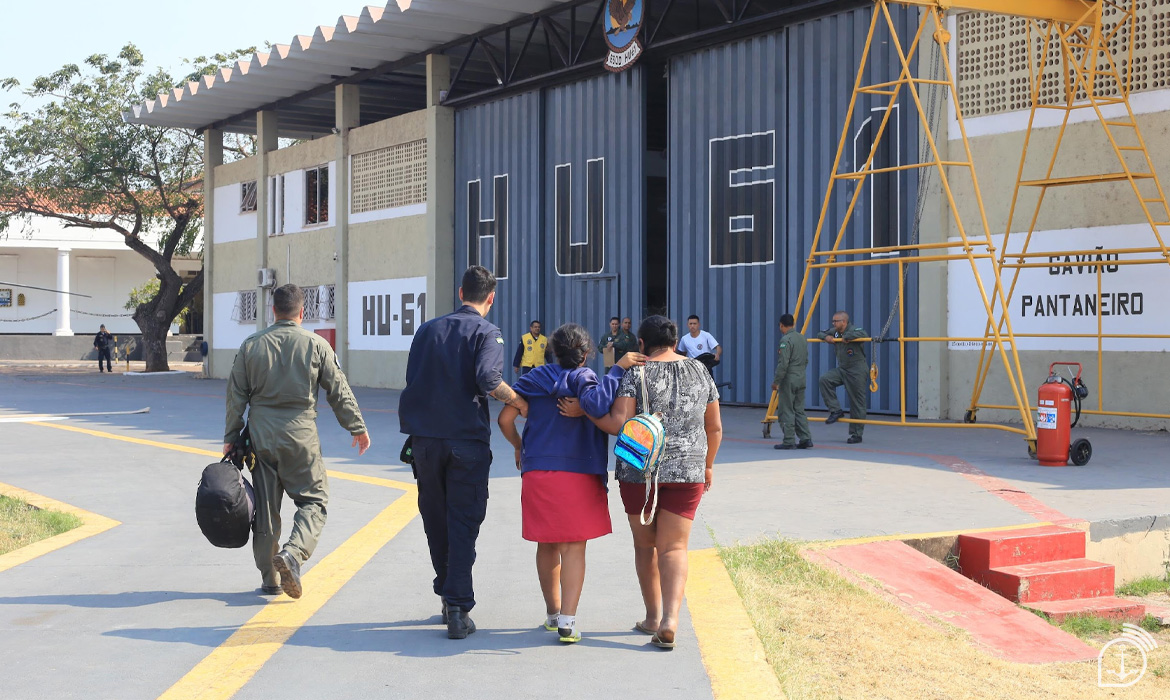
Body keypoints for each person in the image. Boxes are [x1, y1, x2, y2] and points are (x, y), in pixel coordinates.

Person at [400, 265, 530, 640]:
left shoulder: (427, 330)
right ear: (490, 298)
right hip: (465, 443)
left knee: (435, 518)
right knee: (463, 521)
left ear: (460, 293)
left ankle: (447, 592)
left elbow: (413, 379)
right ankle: (457, 606)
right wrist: (519, 402)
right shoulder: (488, 332)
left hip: (425, 441)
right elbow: (489, 379)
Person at [498, 323, 644, 644]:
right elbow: (599, 405)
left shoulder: (532, 380)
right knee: (574, 546)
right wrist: (618, 368)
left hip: (537, 472)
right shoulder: (585, 379)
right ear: (586, 353)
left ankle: (551, 614)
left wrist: (520, 447)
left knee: (546, 543)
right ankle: (567, 622)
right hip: (578, 473)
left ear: (552, 350)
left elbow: (505, 420)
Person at [584, 315, 722, 650]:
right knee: (674, 548)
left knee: (646, 546)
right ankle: (671, 621)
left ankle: (651, 617)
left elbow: (619, 423)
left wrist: (585, 411)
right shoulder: (700, 371)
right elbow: (714, 427)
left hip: (640, 473)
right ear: (675, 342)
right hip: (688, 471)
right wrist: (707, 466)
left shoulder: (636, 372)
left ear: (641, 344)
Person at [224, 284, 370, 600]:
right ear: (302, 312)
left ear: (272, 311)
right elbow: (338, 391)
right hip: (301, 437)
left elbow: (236, 395)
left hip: (260, 439)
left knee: (265, 510)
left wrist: (230, 438)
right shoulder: (317, 345)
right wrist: (356, 427)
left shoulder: (251, 345)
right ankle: (294, 552)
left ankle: (271, 579)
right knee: (314, 500)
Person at [818, 310, 869, 444]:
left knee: (857, 402)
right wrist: (826, 337)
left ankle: (856, 434)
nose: (833, 323)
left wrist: (848, 336)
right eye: (833, 321)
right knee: (825, 380)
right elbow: (820, 332)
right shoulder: (835, 332)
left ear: (844, 322)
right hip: (843, 368)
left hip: (856, 369)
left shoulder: (853, 329)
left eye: (836, 321)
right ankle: (836, 410)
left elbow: (863, 333)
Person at [771, 314, 812, 450]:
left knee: (786, 409)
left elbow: (783, 363)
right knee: (799, 409)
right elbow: (806, 360)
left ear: (782, 325)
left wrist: (777, 381)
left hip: (789, 379)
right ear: (793, 324)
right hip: (801, 377)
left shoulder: (786, 340)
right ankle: (805, 438)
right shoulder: (802, 338)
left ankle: (789, 440)